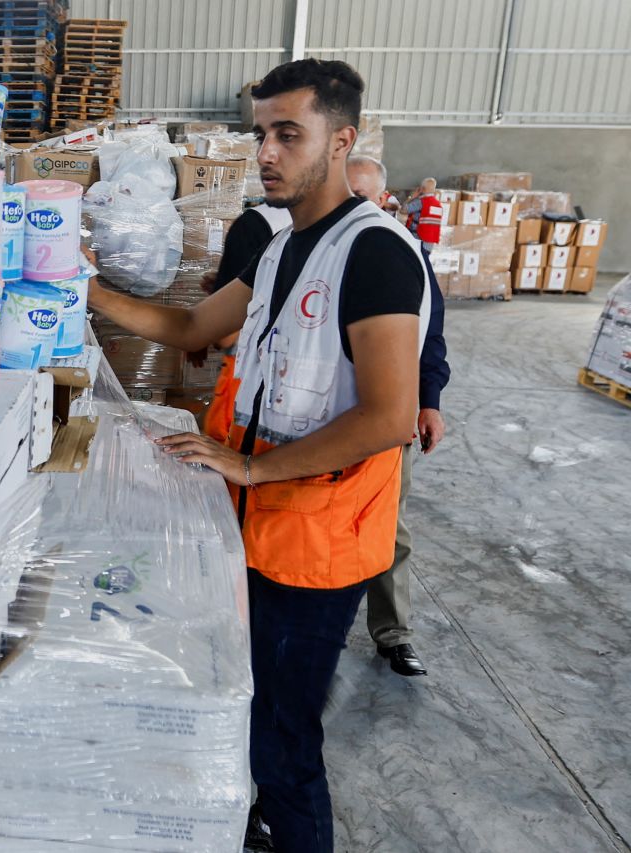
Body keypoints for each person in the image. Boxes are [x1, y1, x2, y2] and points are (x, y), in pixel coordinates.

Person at [86, 59, 431, 853]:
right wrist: (81, 288)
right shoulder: (278, 250)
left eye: (288, 134)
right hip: (256, 530)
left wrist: (249, 467)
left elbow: (390, 415)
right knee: (248, 713)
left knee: (284, 742)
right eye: (260, 134)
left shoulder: (373, 252)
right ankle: (254, 827)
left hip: (318, 546)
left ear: (340, 141)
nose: (266, 153)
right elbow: (190, 330)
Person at [346, 155, 451, 678]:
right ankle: (324, 620)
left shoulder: (403, 251)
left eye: (365, 197)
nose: (356, 207)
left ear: (384, 199)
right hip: (326, 415)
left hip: (390, 416)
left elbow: (429, 333)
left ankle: (393, 634)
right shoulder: (318, 246)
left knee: (387, 526)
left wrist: (429, 399)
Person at [199, 204, 292, 444]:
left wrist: (205, 323)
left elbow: (224, 335)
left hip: (245, 374)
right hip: (283, 389)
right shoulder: (343, 237)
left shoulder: (256, 224)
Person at [404, 177, 444, 250]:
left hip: (417, 241)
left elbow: (402, 210)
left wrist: (412, 197)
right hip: (429, 244)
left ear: (422, 189)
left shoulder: (421, 202)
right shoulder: (438, 205)